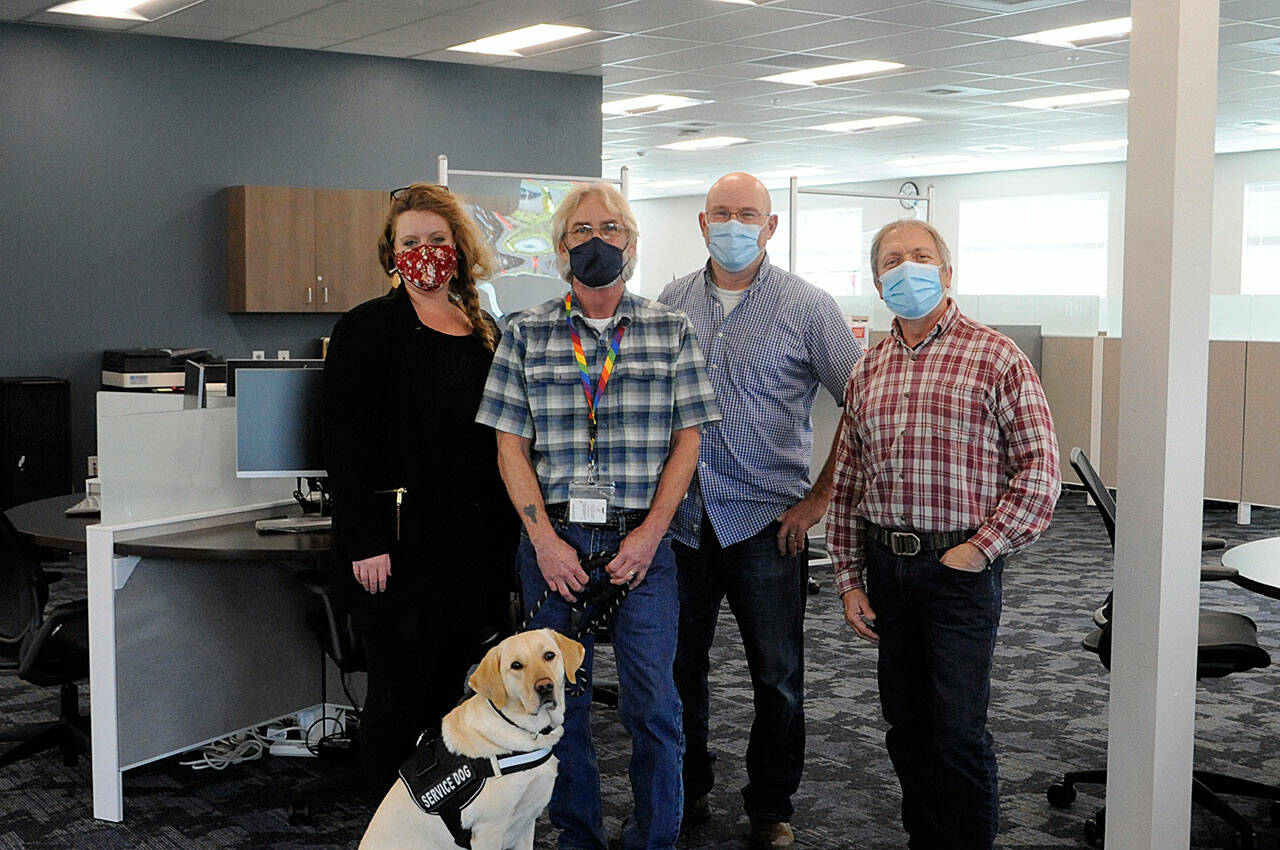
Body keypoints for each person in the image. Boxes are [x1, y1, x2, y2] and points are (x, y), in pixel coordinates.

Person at [476, 181, 721, 850]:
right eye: (581, 230)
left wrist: (650, 535)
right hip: (552, 543)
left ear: (632, 245)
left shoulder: (672, 330)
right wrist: (544, 541)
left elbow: (689, 440)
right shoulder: (525, 334)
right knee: (559, 709)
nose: (597, 241)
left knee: (655, 709)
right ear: (561, 249)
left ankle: (655, 839)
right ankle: (577, 837)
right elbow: (508, 445)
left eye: (612, 228)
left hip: (643, 546)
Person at [828, 219, 1060, 850]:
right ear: (879, 282)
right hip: (886, 568)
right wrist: (849, 578)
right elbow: (848, 485)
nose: (909, 269)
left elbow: (1041, 470)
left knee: (957, 731)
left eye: (922, 257)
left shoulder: (996, 356)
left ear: (947, 273)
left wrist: (979, 549)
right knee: (905, 724)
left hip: (959, 569)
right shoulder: (868, 367)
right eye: (894, 260)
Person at [658, 172, 862, 848]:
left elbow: (865, 404)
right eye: (722, 212)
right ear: (702, 221)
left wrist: (821, 498)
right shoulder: (671, 300)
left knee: (776, 677)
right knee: (678, 669)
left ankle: (770, 805)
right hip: (682, 524)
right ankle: (686, 793)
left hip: (766, 525)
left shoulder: (809, 307)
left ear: (772, 227)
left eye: (749, 214)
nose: (734, 224)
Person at [322, 182, 518, 799]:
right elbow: (344, 444)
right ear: (392, 252)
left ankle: (436, 812)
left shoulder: (483, 326)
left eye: (438, 239)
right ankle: (389, 823)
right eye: (411, 242)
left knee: (450, 700)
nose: (425, 252)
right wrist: (363, 540)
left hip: (474, 548)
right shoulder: (367, 328)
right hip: (398, 550)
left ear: (458, 248)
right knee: (396, 699)